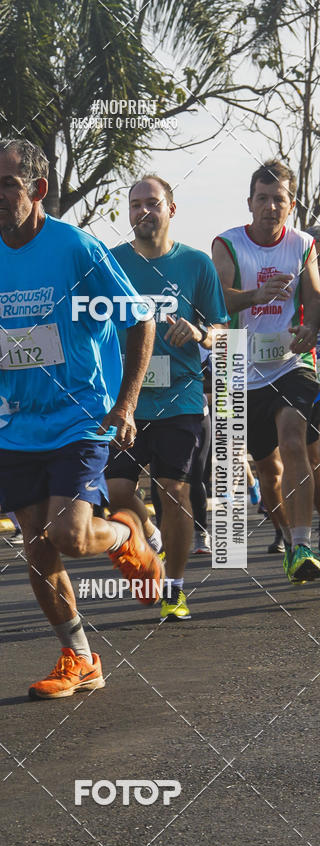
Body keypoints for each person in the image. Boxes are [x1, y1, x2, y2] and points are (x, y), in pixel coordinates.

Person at [0, 138, 163, 700]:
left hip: (79, 415)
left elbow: (141, 321)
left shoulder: (76, 249)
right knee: (39, 549)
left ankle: (124, 533)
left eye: (7, 185)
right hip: (13, 420)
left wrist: (128, 403)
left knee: (67, 533)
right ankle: (80, 657)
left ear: (37, 190)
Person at [106, 175, 228, 620]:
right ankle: (152, 536)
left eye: (152, 204)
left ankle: (173, 588)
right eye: (135, 205)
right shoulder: (112, 262)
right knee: (118, 492)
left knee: (173, 489)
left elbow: (222, 328)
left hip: (181, 398)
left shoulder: (196, 264)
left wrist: (200, 333)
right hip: (125, 400)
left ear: (170, 210)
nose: (143, 212)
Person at [213, 159, 320, 583]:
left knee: (294, 440)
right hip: (239, 367)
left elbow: (313, 295)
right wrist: (257, 293)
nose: (270, 207)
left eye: (279, 200)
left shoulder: (302, 245)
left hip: (291, 363)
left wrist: (310, 326)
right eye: (263, 199)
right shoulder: (228, 244)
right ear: (250, 202)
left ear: (290, 205)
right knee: (268, 474)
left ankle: (302, 543)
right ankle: (285, 535)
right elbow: (218, 301)